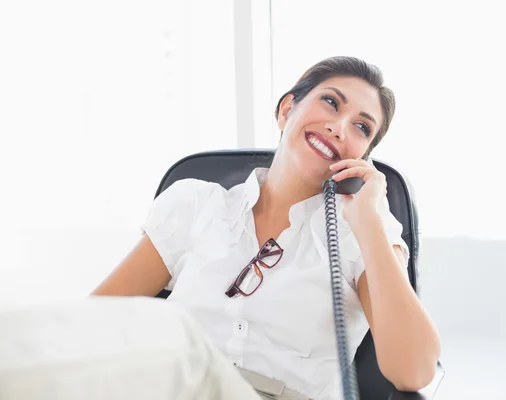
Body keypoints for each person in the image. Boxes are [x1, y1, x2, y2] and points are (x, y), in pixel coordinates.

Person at [1, 56, 440, 400]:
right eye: (330, 102)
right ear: (288, 108)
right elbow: (91, 323)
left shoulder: (365, 232)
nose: (340, 127)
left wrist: (367, 222)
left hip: (244, 387)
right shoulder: (195, 204)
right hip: (170, 387)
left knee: (175, 341)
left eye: (362, 127)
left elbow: (415, 372)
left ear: (363, 155)